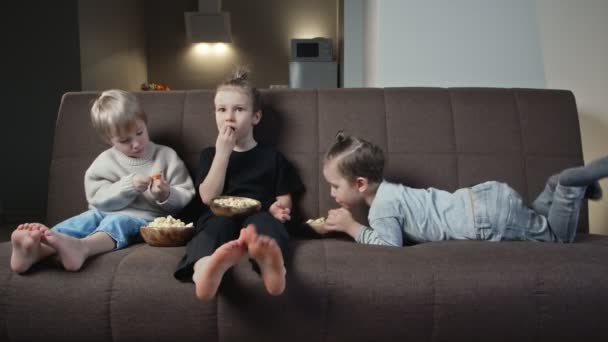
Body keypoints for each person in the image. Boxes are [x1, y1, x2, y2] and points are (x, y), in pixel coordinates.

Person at [10, 89, 195, 273]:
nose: (136, 144)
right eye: (124, 140)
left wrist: (165, 194)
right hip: (103, 212)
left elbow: (185, 196)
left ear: (145, 122)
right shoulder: (105, 161)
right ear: (109, 140)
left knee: (118, 222)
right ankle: (38, 250)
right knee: (82, 221)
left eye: (140, 132)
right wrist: (128, 186)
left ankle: (83, 248)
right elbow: (96, 198)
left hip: (145, 221)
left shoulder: (166, 156)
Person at [321, 132, 606, 246]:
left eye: (335, 186)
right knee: (534, 219)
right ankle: (555, 186)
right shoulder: (392, 191)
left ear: (360, 184)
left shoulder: (380, 209)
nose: (332, 193)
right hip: (485, 198)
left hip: (484, 218)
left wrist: (351, 227)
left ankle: (568, 187)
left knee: (556, 240)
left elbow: (389, 247)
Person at [173, 67, 303, 300]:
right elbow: (207, 197)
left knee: (265, 227)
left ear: (256, 117)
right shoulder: (209, 154)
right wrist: (223, 154)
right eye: (221, 109)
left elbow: (284, 198)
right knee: (215, 228)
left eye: (239, 109)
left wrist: (279, 209)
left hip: (260, 212)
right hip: (218, 214)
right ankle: (204, 270)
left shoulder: (272, 157)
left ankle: (273, 268)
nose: (229, 117)